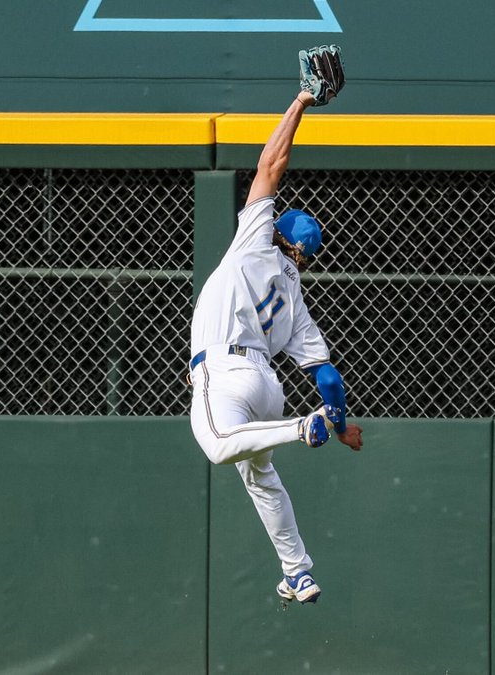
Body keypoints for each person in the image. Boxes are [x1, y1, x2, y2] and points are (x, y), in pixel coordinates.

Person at [187, 87, 363, 605]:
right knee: (260, 478)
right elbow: (327, 377)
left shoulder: (253, 242)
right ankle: (298, 571)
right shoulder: (298, 300)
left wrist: (302, 101)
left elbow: (272, 162)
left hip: (226, 373)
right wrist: (341, 424)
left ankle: (297, 429)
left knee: (218, 443)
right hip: (267, 384)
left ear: (276, 230)